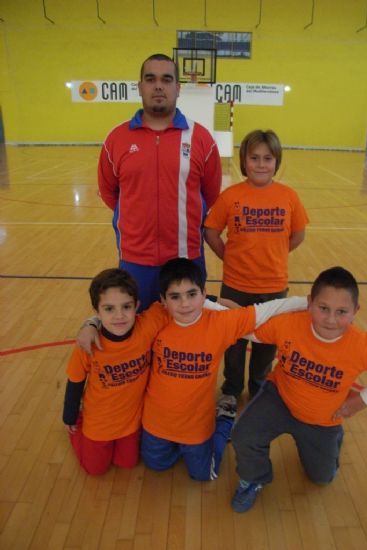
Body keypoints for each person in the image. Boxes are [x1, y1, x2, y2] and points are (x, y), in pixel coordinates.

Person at [230, 266, 367, 513]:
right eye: (323, 308)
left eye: (342, 312)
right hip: (280, 397)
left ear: (355, 312)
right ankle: (253, 479)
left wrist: (362, 400)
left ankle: (334, 438)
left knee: (322, 478)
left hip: (322, 420)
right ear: (310, 303)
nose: (331, 319)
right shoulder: (291, 324)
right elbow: (249, 329)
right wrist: (217, 310)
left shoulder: (362, 346)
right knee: (243, 436)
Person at [140, 258, 308, 481]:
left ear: (203, 293)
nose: (185, 304)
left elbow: (269, 308)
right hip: (156, 422)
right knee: (156, 465)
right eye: (175, 297)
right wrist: (92, 324)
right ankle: (184, 447)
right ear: (162, 300)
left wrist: (310, 301)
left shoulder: (221, 322)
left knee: (204, 475)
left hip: (196, 426)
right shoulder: (157, 316)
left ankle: (225, 419)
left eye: (192, 294)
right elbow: (122, 322)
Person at [97, 53, 222, 312]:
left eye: (166, 79)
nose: (158, 86)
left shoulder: (201, 138)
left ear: (177, 88)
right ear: (140, 86)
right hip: (135, 259)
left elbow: (210, 194)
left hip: (186, 259)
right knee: (139, 332)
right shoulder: (116, 138)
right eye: (150, 78)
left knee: (186, 336)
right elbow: (110, 193)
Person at [204, 129, 309, 417]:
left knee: (266, 343)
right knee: (234, 342)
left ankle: (259, 386)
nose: (261, 164)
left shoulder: (288, 196)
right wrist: (230, 258)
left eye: (268, 158)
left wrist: (274, 254)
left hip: (274, 286)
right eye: (254, 158)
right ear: (243, 160)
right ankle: (231, 390)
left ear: (277, 161)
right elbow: (211, 232)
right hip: (236, 285)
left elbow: (298, 235)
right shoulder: (231, 196)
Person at [62, 268, 170, 475]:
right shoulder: (87, 344)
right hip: (98, 422)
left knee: (128, 463)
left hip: (130, 421)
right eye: (109, 309)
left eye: (126, 307)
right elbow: (75, 381)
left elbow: (177, 303)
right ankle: (79, 429)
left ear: (137, 306)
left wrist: (208, 299)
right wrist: (69, 416)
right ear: (97, 311)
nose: (119, 316)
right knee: (95, 470)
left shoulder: (147, 325)